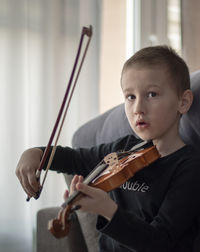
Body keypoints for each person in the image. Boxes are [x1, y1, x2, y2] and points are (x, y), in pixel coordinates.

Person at [16, 46, 200, 252]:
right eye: (130, 97)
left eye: (152, 94)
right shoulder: (123, 149)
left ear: (183, 102)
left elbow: (160, 242)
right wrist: (36, 153)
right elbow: (75, 159)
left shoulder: (189, 167)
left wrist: (107, 210)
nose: (138, 108)